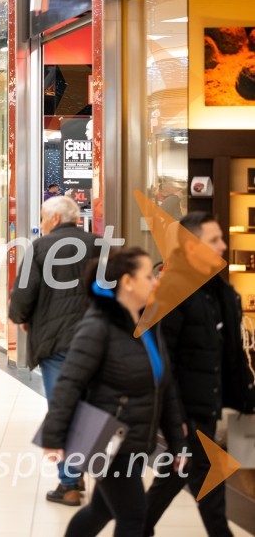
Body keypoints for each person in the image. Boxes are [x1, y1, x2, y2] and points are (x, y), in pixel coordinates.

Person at [41, 247, 187, 537]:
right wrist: (53, 437)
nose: (155, 281)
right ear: (127, 282)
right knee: (134, 516)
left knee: (102, 509)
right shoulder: (98, 326)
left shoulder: (147, 325)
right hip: (106, 439)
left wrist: (177, 441)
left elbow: (164, 386)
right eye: (148, 276)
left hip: (132, 440)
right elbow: (69, 382)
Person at [143, 212, 247, 537]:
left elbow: (226, 354)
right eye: (213, 239)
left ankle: (135, 528)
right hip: (187, 409)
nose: (223, 245)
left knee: (178, 476)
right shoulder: (174, 291)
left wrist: (245, 395)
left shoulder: (217, 292)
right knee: (205, 477)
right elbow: (162, 358)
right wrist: (175, 417)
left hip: (204, 404)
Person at [8, 196, 99, 505]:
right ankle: (80, 469)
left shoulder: (41, 247)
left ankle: (70, 482)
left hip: (55, 340)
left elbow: (24, 291)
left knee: (62, 406)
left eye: (44, 218)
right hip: (94, 340)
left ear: (56, 220)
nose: (42, 224)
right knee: (87, 406)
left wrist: (20, 318)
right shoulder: (99, 245)